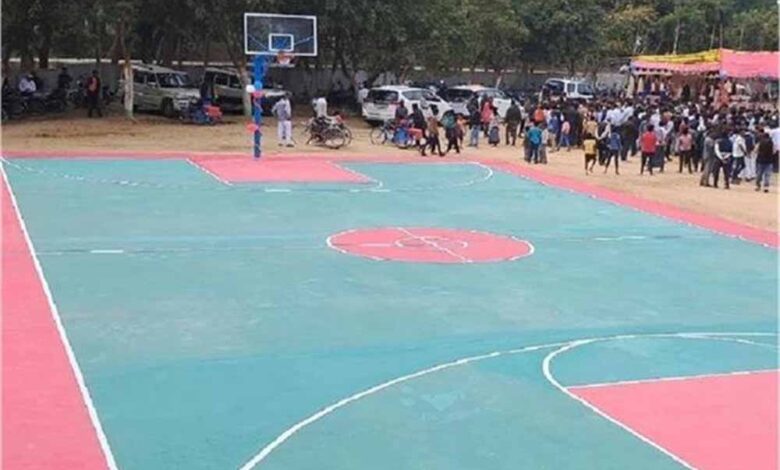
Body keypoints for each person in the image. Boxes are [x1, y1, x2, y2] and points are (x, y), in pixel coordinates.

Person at [755, 128, 774, 192]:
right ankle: (766, 187)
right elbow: (774, 151)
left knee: (759, 174)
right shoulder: (771, 142)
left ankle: (758, 186)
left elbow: (756, 150)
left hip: (760, 160)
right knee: (767, 174)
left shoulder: (760, 142)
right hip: (769, 160)